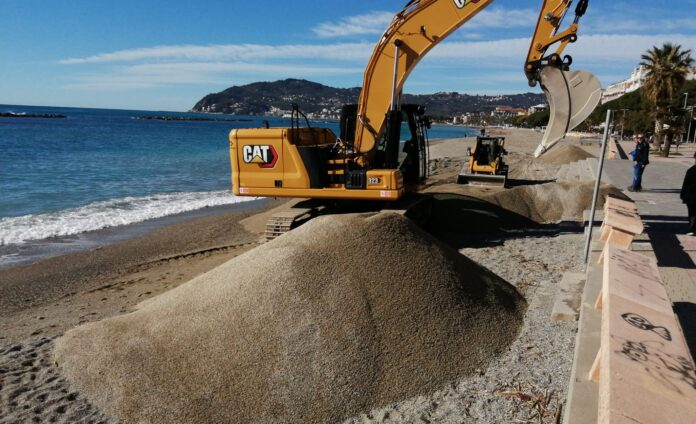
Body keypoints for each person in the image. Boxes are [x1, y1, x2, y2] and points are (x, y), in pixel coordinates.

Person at [680, 152, 696, 235]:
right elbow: (686, 184)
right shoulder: (691, 170)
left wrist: (683, 194)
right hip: (692, 196)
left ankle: (692, 229)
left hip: (691, 197)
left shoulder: (691, 170)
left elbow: (685, 184)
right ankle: (692, 228)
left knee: (692, 213)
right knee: (692, 213)